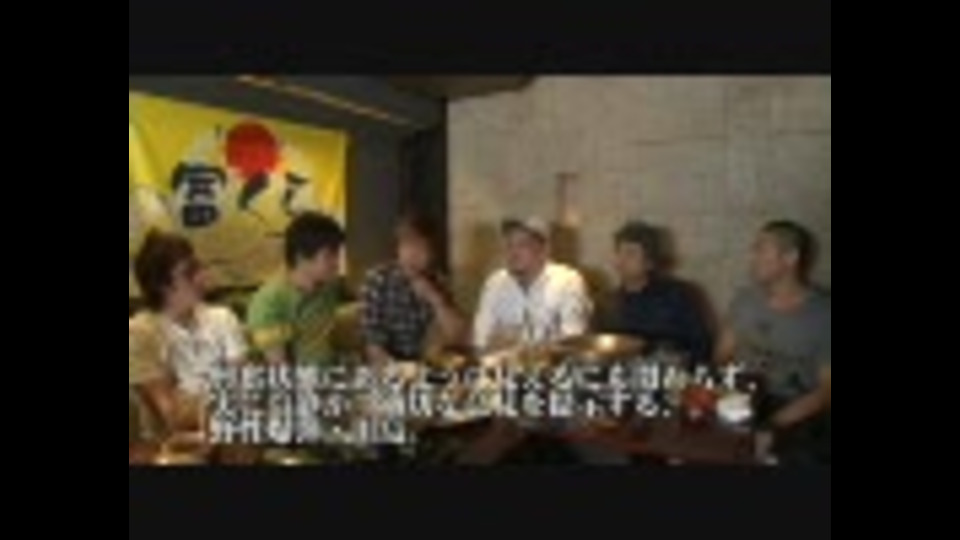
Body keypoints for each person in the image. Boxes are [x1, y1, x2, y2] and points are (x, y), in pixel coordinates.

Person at [716, 221, 831, 464]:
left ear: (790, 258)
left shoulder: (823, 315)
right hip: (743, 399)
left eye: (761, 249)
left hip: (796, 409)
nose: (752, 257)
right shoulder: (745, 299)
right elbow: (722, 354)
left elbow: (826, 391)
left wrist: (771, 425)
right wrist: (729, 393)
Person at [128, 230, 248, 439]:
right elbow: (172, 414)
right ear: (162, 285)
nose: (203, 277)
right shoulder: (140, 333)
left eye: (200, 267)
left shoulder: (222, 318)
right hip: (171, 447)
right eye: (190, 272)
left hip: (232, 437)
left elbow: (246, 389)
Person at [600, 221, 713, 365]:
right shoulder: (608, 302)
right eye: (618, 252)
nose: (620, 260)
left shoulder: (678, 296)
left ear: (650, 262)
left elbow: (701, 346)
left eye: (630, 254)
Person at [360, 212, 466, 365]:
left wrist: (434, 298)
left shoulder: (438, 282)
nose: (413, 255)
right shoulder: (378, 280)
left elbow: (457, 335)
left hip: (426, 365)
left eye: (421, 248)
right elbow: (373, 347)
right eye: (407, 245)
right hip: (386, 368)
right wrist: (398, 371)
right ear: (398, 248)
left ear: (432, 253)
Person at [473, 217, 592, 352]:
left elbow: (573, 341)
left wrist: (521, 347)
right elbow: (480, 339)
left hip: (554, 364)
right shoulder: (495, 282)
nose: (513, 253)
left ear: (544, 250)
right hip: (503, 363)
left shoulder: (567, 281)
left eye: (522, 245)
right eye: (509, 245)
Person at [246, 212, 349, 366]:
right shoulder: (269, 302)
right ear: (301, 257)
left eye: (338, 254)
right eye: (329, 256)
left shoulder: (328, 286)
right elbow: (279, 367)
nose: (337, 263)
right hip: (297, 377)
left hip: (330, 369)